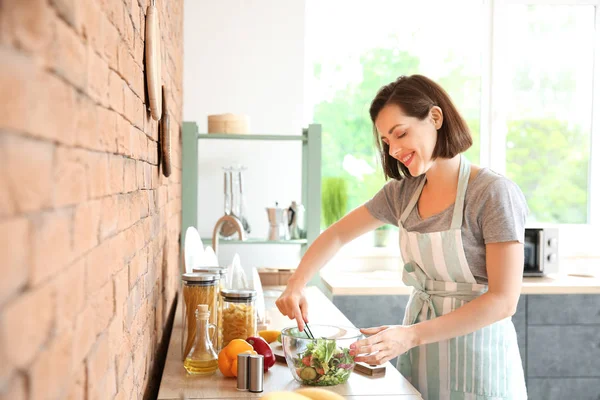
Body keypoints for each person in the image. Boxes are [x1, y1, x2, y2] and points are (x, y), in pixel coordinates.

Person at [276, 75, 528, 399]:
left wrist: (411, 336)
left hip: (480, 366)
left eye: (401, 134)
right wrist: (296, 284)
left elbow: (503, 301)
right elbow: (337, 234)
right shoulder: (401, 194)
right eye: (386, 141)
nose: (393, 150)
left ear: (435, 118)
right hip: (420, 360)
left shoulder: (492, 193)